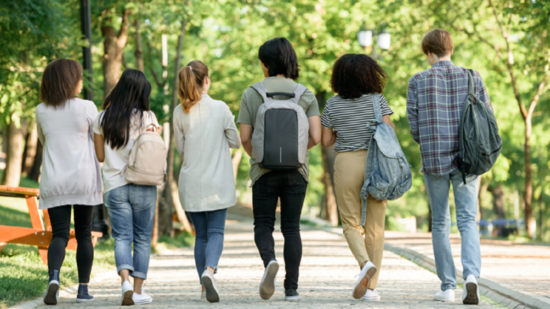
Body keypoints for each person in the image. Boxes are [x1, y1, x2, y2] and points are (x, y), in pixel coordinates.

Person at [407, 29, 491, 305]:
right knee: (468, 220)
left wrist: (431, 141)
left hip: (434, 160)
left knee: (440, 222)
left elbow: (414, 127)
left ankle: (447, 287)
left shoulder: (417, 81)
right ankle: (472, 277)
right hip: (469, 160)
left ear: (429, 53)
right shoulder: (472, 77)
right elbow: (487, 116)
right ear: (450, 50)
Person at [238, 37, 321, 302]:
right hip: (297, 171)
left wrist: (261, 157)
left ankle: (270, 261)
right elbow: (316, 136)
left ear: (265, 64)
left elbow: (244, 138)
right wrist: (297, 153)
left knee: (263, 223)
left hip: (263, 172)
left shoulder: (252, 93)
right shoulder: (305, 94)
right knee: (292, 228)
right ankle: (292, 289)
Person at [320, 54, 394, 302]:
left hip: (347, 163)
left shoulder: (332, 104)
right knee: (375, 227)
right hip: (376, 164)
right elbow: (389, 131)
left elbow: (327, 141)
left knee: (351, 223)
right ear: (370, 74)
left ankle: (364, 264)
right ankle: (371, 289)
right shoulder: (378, 100)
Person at [173, 60, 241, 303]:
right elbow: (235, 141)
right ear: (207, 81)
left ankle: (203, 288)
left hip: (191, 182)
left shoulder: (180, 112)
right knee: (216, 232)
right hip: (217, 182)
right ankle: (209, 271)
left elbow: (181, 149)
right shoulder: (221, 108)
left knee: (200, 235)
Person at [36, 59, 102, 305]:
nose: (81, 82)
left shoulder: (41, 110)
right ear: (69, 80)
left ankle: (54, 278)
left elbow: (45, 142)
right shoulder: (87, 107)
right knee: (84, 234)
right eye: (79, 77)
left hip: (54, 181)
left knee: (59, 234)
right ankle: (83, 290)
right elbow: (98, 143)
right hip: (83, 180)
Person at [93, 69, 161, 306]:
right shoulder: (148, 117)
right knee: (142, 238)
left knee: (121, 237)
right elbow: (154, 151)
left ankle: (125, 283)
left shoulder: (102, 118)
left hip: (114, 186)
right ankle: (139, 291)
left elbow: (100, 156)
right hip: (143, 184)